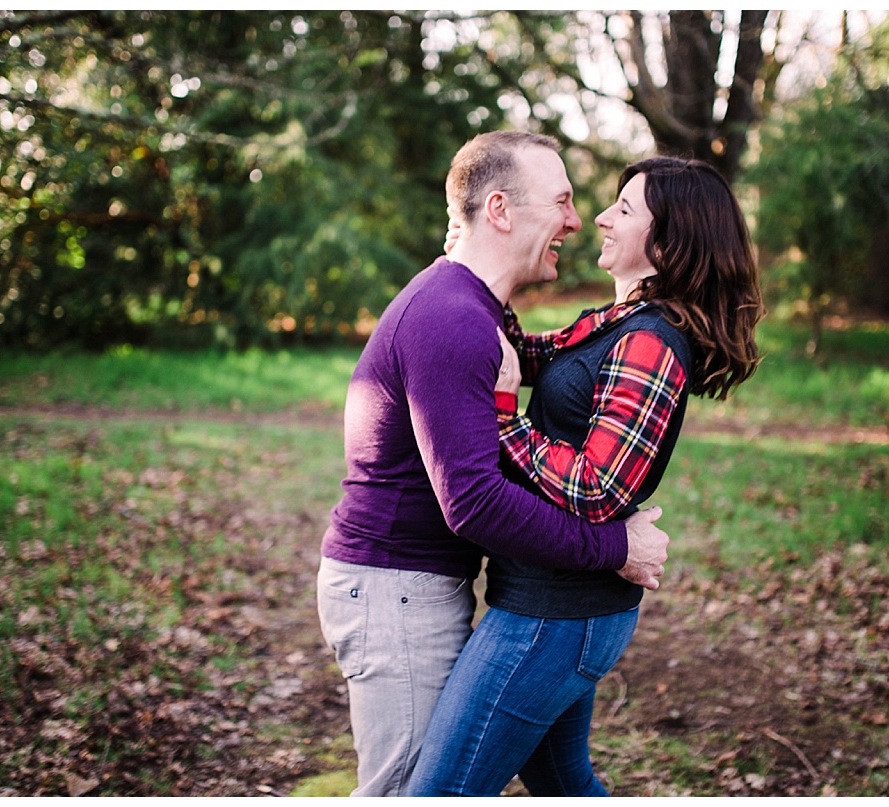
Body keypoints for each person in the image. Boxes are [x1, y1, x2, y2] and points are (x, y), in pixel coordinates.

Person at [316, 132, 671, 797]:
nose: (574, 220)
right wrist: (613, 545)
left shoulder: (472, 307)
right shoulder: (453, 317)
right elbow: (474, 503)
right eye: (561, 202)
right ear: (502, 210)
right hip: (394, 590)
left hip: (410, 583)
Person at [408, 156, 764, 796]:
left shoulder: (652, 342)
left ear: (668, 241)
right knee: (562, 781)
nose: (599, 216)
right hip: (554, 600)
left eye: (623, 210)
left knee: (440, 794)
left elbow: (602, 486)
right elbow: (526, 349)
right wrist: (476, 261)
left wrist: (505, 420)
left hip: (558, 615)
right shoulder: (617, 322)